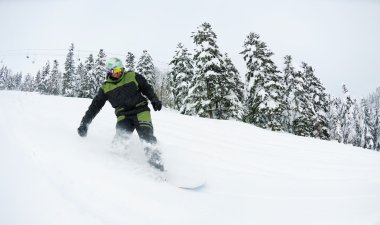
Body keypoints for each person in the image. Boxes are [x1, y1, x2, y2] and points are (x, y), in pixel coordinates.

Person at [77, 57, 164, 171]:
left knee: (147, 137)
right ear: (109, 72)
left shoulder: (132, 76)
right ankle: (117, 170)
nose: (119, 74)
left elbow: (147, 88)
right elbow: (94, 107)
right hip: (123, 116)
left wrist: (154, 100)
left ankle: (158, 169)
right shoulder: (106, 87)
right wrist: (84, 124)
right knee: (120, 139)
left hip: (141, 111)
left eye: (120, 70)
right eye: (115, 72)